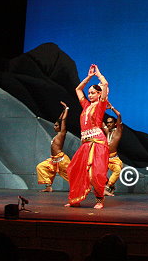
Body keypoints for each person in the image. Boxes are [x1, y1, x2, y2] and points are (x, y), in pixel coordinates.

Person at [65, 64, 110, 209]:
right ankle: (75, 199)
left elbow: (105, 84)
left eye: (93, 93)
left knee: (96, 174)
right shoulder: (86, 105)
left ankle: (100, 200)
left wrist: (98, 75)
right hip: (85, 144)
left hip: (98, 143)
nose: (90, 95)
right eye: (89, 93)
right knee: (74, 170)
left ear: (99, 94)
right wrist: (89, 77)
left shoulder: (101, 105)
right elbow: (78, 89)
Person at [36, 101, 71, 192]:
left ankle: (87, 187)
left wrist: (67, 109)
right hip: (54, 160)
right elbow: (60, 120)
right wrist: (63, 111)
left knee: (73, 176)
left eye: (56, 126)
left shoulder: (61, 134)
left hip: (62, 160)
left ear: (60, 127)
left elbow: (63, 121)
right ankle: (48, 186)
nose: (54, 127)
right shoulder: (57, 135)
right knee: (41, 167)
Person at [104, 103, 123, 196]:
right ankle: (111, 186)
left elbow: (118, 115)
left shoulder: (118, 131)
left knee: (117, 170)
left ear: (115, 123)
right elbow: (100, 122)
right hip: (105, 158)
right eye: (107, 122)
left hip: (114, 158)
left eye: (110, 122)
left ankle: (107, 187)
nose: (108, 124)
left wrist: (111, 108)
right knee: (98, 173)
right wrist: (100, 109)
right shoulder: (107, 131)